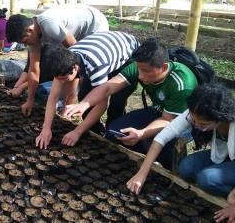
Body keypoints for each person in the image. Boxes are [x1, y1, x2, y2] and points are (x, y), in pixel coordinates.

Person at [64, 39, 198, 168]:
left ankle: (168, 171)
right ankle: (135, 163)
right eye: (139, 69)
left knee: (152, 143)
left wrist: (142, 133)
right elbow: (108, 87)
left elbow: (168, 120)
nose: (140, 75)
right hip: (158, 111)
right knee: (114, 132)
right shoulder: (140, 66)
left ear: (164, 67)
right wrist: (84, 104)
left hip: (182, 121)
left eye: (145, 71)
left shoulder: (182, 84)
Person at [125, 83, 235, 222]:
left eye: (203, 124)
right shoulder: (195, 112)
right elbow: (161, 138)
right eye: (194, 121)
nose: (196, 126)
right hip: (226, 156)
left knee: (206, 178)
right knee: (186, 167)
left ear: (220, 118)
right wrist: (142, 173)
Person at [35, 31, 140, 149]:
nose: (62, 81)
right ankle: (95, 131)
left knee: (117, 101)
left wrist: (77, 132)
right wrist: (46, 128)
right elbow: (53, 97)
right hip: (104, 48)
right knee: (85, 95)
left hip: (129, 53)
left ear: (75, 67)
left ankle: (113, 139)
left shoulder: (96, 67)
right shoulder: (63, 62)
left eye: (64, 78)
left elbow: (101, 104)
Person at [6, 5, 109, 116]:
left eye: (25, 41)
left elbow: (75, 59)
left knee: (84, 73)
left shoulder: (49, 25)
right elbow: (33, 70)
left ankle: (78, 108)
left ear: (30, 30)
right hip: (77, 30)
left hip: (94, 24)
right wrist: (30, 100)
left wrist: (67, 105)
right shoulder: (34, 36)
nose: (26, 45)